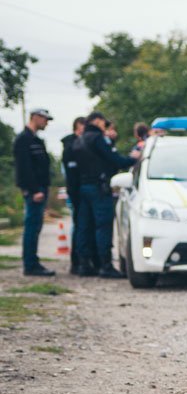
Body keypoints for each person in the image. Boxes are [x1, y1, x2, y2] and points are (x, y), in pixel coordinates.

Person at [74, 111, 138, 278]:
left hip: (84, 187)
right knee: (103, 226)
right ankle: (105, 265)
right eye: (104, 123)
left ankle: (84, 264)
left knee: (84, 227)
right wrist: (133, 159)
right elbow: (114, 159)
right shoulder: (97, 138)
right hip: (99, 187)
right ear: (96, 121)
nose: (105, 127)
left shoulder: (80, 139)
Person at [13, 107, 55, 276]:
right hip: (34, 191)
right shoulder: (24, 139)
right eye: (45, 119)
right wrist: (33, 190)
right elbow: (24, 168)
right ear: (35, 117)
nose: (46, 123)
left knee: (35, 227)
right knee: (31, 227)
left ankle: (33, 262)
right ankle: (30, 265)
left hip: (40, 189)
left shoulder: (36, 140)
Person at [61, 116, 89, 274]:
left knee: (79, 226)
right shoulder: (71, 147)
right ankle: (77, 261)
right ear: (77, 128)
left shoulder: (74, 145)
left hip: (77, 191)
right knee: (79, 226)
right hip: (76, 191)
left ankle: (79, 261)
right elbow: (71, 174)